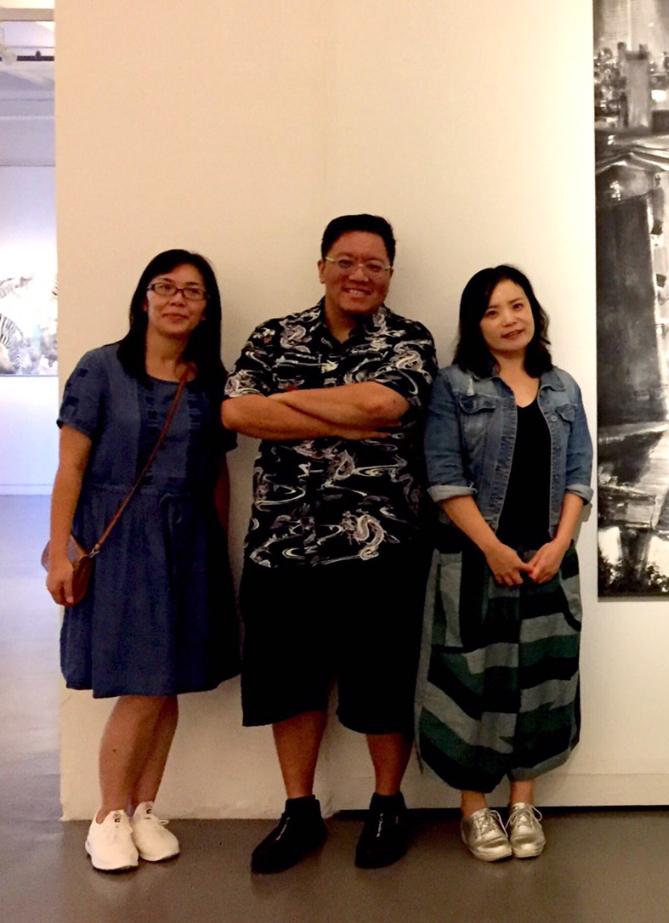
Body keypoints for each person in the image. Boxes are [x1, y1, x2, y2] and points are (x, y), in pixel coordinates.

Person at [221, 215, 437, 873]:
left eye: (374, 264)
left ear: (390, 274)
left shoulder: (409, 339)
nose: (360, 275)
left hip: (382, 550)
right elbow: (235, 413)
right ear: (321, 267)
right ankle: (299, 809)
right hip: (281, 549)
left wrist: (286, 407)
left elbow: (384, 408)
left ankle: (386, 802)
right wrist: (339, 409)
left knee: (381, 684)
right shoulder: (273, 335)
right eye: (346, 261)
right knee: (290, 686)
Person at [48, 249, 239, 873]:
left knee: (170, 679)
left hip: (190, 541)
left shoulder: (211, 379)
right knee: (140, 683)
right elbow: (70, 466)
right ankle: (107, 814)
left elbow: (216, 474)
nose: (178, 299)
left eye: (193, 291)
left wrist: (220, 546)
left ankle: (143, 808)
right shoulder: (101, 368)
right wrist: (60, 548)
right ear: (144, 297)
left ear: (207, 308)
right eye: (166, 286)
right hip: (121, 537)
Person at [417, 265, 592, 862]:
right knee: (474, 682)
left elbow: (578, 479)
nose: (508, 320)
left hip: (547, 561)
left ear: (534, 313)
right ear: (475, 325)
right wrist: (492, 547)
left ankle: (522, 802)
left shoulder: (564, 387)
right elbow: (443, 477)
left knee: (541, 682)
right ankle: (474, 808)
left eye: (516, 306)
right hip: (473, 563)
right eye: (491, 311)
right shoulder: (454, 386)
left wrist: (559, 545)